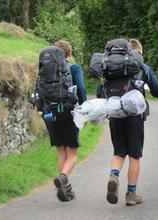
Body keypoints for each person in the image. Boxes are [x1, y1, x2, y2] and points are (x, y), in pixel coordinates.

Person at [100, 38, 158, 206]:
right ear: (139, 53)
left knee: (119, 152)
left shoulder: (108, 68)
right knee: (135, 155)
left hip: (114, 114)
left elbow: (100, 91)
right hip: (135, 118)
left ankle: (114, 175)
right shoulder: (142, 67)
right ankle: (131, 194)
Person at [45, 40, 87, 201]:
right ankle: (63, 178)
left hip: (50, 115)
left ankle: (66, 188)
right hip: (69, 113)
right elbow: (81, 89)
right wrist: (84, 110)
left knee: (61, 151)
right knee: (73, 152)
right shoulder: (73, 68)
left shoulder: (46, 70)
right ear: (68, 54)